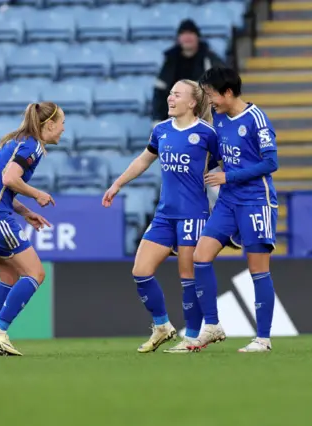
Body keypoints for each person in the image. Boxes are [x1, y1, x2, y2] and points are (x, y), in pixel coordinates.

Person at [103, 79, 219, 353]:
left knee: (187, 276)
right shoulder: (161, 130)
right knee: (140, 271)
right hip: (165, 215)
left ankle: (192, 339)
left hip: (194, 214)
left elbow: (223, 169)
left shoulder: (207, 134)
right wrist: (118, 183)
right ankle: (163, 326)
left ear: (192, 103)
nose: (170, 98)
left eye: (177, 95)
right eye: (170, 93)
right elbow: (144, 159)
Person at [0, 102, 65, 356]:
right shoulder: (33, 146)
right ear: (48, 125)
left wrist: (25, 212)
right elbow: (10, 179)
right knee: (36, 273)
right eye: (62, 123)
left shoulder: (13, 141)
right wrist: (36, 194)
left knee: (8, 276)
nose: (63, 130)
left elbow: (0, 187)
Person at [189, 67, 279, 353]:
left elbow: (270, 163)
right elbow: (220, 156)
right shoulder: (219, 119)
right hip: (228, 201)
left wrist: (229, 176)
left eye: (212, 94)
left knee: (257, 269)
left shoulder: (256, 119)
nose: (209, 100)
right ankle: (213, 326)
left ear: (227, 92)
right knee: (200, 256)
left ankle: (262, 339)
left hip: (256, 200)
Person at [152, 19, 225, 123]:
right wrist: (157, 119)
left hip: (204, 116)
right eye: (183, 34)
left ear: (197, 37)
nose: (187, 37)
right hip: (175, 118)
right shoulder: (170, 60)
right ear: (178, 38)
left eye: (191, 33)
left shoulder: (210, 58)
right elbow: (159, 91)